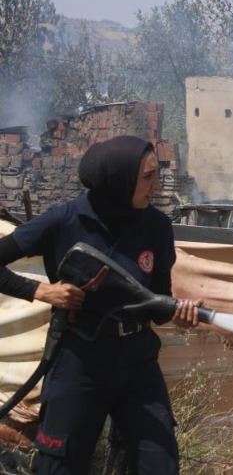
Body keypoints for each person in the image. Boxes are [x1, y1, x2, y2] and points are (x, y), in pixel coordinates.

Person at [0, 135, 200, 474]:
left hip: (138, 363)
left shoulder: (156, 226)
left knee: (160, 463)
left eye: (157, 174)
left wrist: (179, 313)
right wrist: (41, 291)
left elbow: (156, 306)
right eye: (148, 176)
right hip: (79, 361)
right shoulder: (63, 221)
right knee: (59, 465)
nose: (156, 185)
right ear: (119, 179)